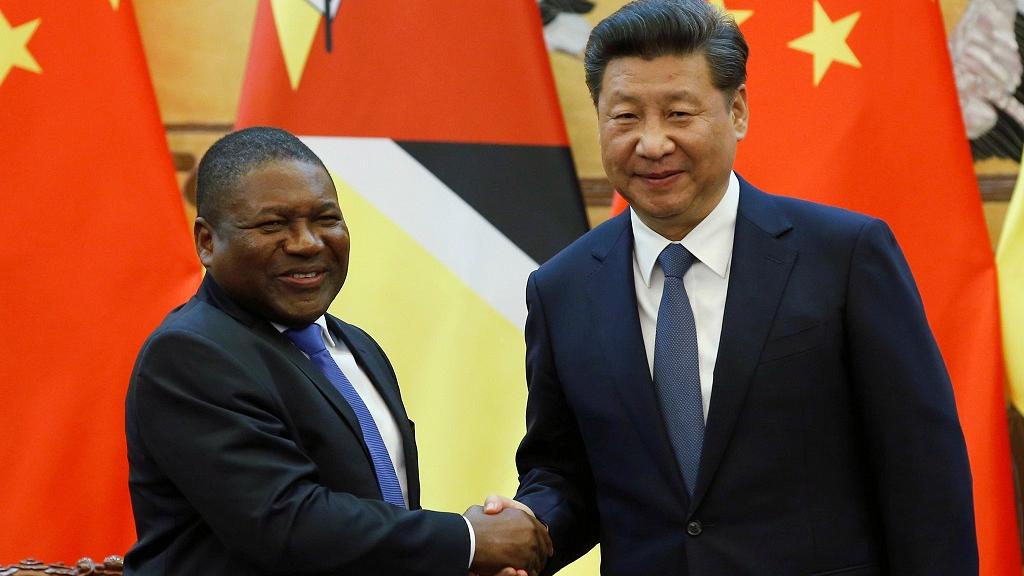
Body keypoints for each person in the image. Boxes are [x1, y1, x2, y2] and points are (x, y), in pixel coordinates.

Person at [485, 0, 978, 574]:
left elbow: (922, 470)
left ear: (736, 111)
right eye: (625, 117)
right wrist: (525, 529)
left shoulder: (844, 256)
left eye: (679, 113)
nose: (652, 143)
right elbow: (563, 470)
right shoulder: (561, 288)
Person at [124, 127, 551, 576]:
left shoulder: (357, 348)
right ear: (207, 242)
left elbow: (376, 514)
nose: (307, 242)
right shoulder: (190, 353)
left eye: (325, 219)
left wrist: (461, 562)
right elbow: (287, 523)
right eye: (273, 225)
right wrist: (467, 542)